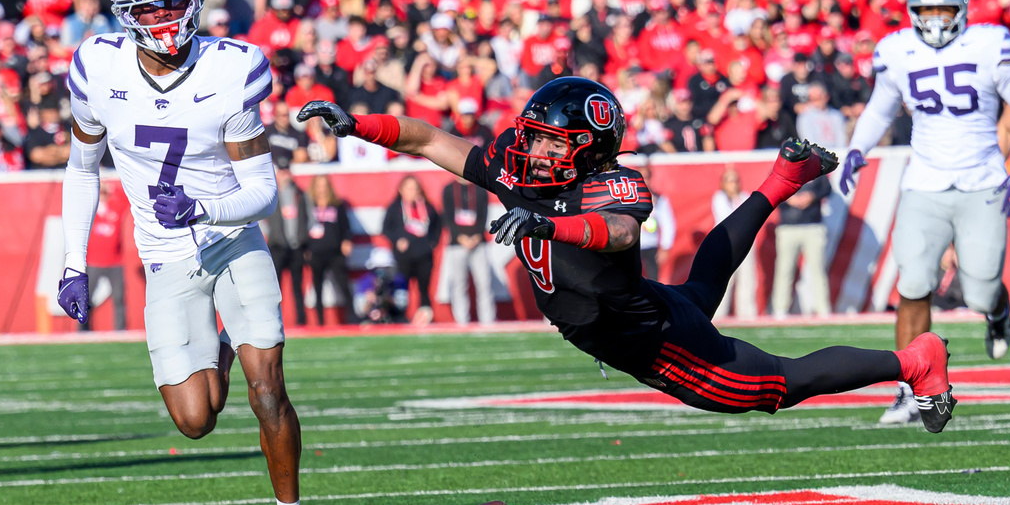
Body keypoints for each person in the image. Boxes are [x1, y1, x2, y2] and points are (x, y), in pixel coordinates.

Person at [298, 76, 956, 435]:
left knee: (779, 385)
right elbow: (431, 140)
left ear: (588, 147)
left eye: (550, 142)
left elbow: (614, 233)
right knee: (701, 285)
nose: (532, 150)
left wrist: (548, 226)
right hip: (640, 309)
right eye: (532, 136)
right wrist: (359, 124)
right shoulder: (521, 173)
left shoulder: (615, 182)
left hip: (656, 341)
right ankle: (783, 177)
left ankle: (914, 360)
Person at [56, 0, 312, 505]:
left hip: (231, 239)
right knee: (195, 419)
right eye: (148, 9)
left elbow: (262, 190)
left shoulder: (232, 69)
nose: (163, 19)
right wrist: (73, 263)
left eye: (173, 3)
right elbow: (81, 170)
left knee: (267, 390)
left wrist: (205, 208)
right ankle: (218, 344)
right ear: (122, 13)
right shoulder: (98, 69)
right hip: (165, 255)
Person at [840, 0, 1010, 424]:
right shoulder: (897, 50)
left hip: (981, 180)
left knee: (979, 290)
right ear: (912, 13)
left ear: (961, 10)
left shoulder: (989, 42)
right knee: (913, 284)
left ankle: (997, 312)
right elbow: (880, 107)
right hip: (924, 181)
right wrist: (858, 148)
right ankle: (909, 390)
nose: (935, 19)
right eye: (925, 10)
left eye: (943, 9)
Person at [770, 171, 832, 318]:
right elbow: (772, 191)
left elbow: (827, 189)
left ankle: (823, 308)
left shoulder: (816, 167)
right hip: (788, 227)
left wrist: (812, 196)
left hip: (812, 225)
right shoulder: (782, 167)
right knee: (784, 269)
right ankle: (780, 309)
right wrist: (788, 198)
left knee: (818, 269)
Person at [381, 175, 441, 326]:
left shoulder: (427, 206)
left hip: (424, 255)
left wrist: (432, 242)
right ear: (401, 190)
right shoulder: (395, 208)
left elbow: (438, 225)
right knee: (402, 290)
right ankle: (401, 318)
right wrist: (397, 240)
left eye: (414, 188)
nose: (411, 192)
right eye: (408, 188)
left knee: (424, 289)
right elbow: (385, 229)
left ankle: (426, 318)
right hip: (403, 257)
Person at [441, 177, 495, 325]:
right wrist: (459, 237)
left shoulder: (480, 189)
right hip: (457, 244)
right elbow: (447, 217)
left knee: (484, 283)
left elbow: (484, 215)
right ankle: (461, 322)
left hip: (479, 243)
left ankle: (488, 322)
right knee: (459, 284)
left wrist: (477, 236)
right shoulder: (449, 189)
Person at [265, 156, 310, 327]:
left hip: (296, 246)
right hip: (277, 246)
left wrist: (304, 240)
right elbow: (262, 219)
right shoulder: (272, 193)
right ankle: (273, 321)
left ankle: (301, 322)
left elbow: (308, 218)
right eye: (282, 172)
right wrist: (271, 234)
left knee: (298, 288)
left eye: (286, 172)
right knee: (275, 288)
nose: (285, 175)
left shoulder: (300, 194)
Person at [307, 175, 357, 325]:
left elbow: (345, 226)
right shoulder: (309, 205)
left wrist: (346, 241)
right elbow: (302, 227)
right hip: (316, 252)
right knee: (318, 288)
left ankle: (352, 319)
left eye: (324, 185)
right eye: (318, 185)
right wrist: (305, 247)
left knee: (343, 285)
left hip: (335, 253)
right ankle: (320, 322)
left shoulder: (337, 205)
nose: (321, 189)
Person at [711, 167, 757, 319]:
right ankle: (718, 315)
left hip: (745, 242)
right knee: (724, 281)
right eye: (729, 181)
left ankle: (747, 315)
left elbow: (749, 220)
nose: (733, 184)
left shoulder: (744, 197)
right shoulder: (719, 198)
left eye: (735, 181)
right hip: (726, 244)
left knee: (747, 280)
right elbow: (728, 218)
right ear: (723, 184)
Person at [81, 183, 127, 331]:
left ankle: (120, 331)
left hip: (115, 262)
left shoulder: (115, 208)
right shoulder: (91, 211)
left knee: (119, 298)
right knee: (86, 299)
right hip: (94, 262)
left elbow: (125, 197)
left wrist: (110, 186)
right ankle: (83, 330)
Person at [638, 162, 675, 282]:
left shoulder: (659, 199)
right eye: (641, 177)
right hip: (633, 244)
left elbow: (668, 223)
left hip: (651, 244)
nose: (644, 181)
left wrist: (665, 246)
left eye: (646, 177)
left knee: (653, 279)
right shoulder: (629, 198)